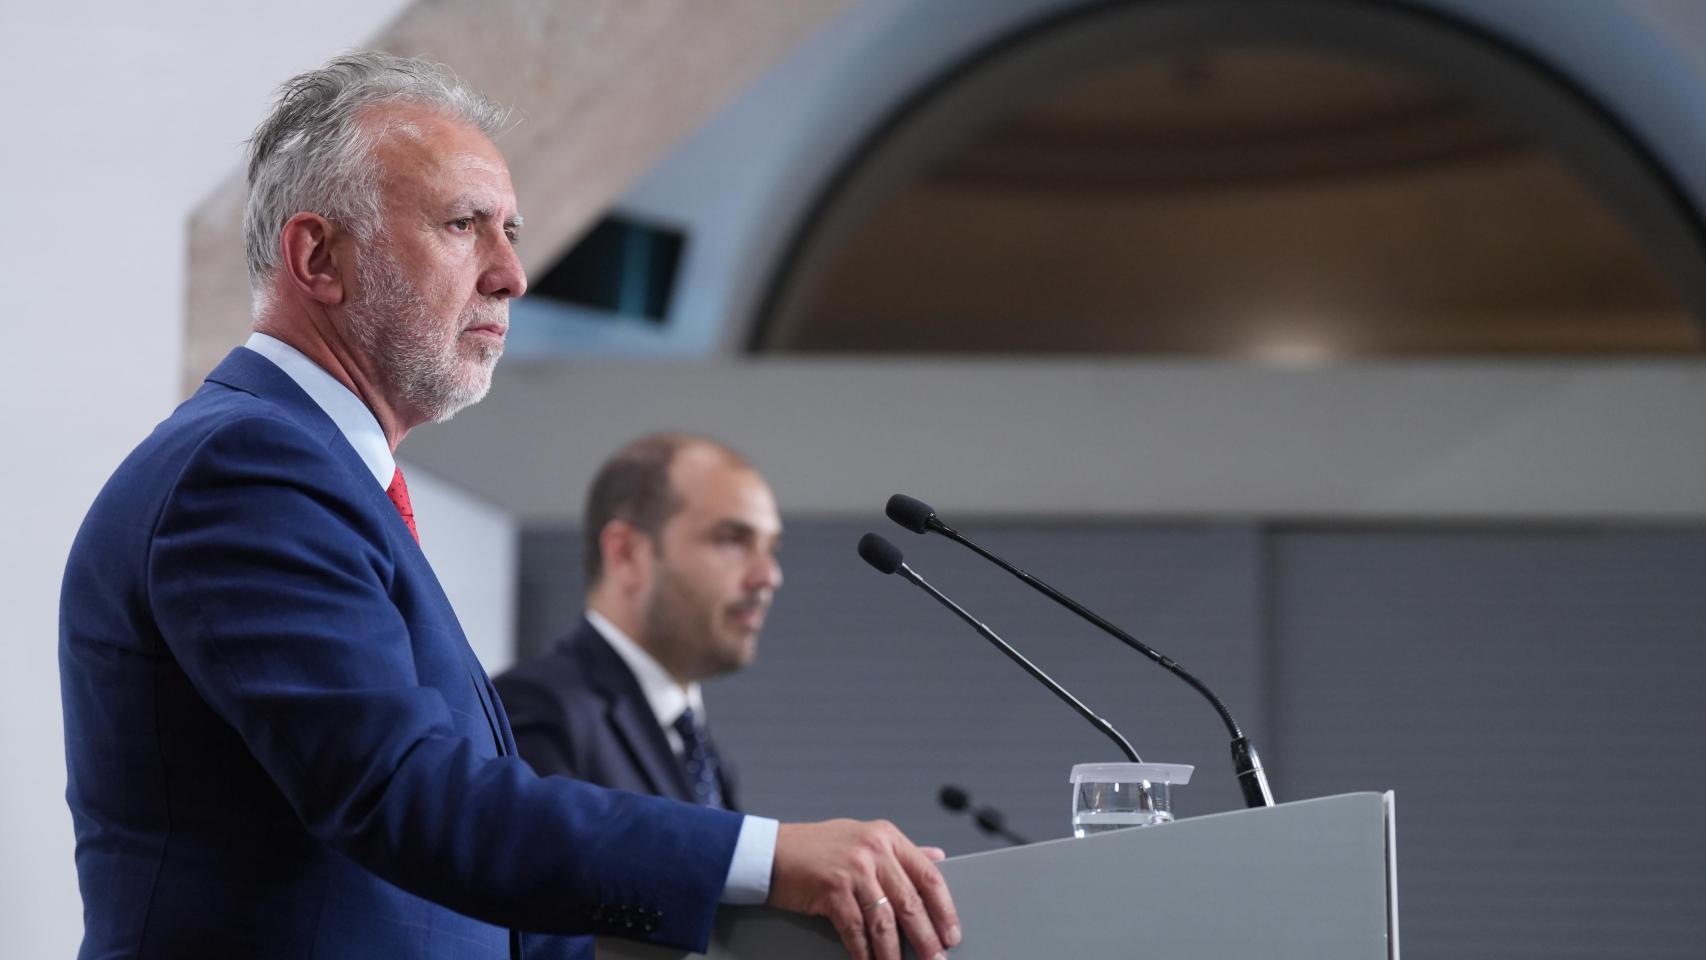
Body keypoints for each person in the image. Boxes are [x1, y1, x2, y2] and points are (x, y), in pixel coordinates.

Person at [59, 52, 958, 960]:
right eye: (464, 225)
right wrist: (764, 857)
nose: (513, 275)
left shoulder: (321, 475)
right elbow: (403, 794)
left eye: (512, 231)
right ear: (318, 258)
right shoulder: (248, 466)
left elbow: (485, 912)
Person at [496, 433, 781, 808]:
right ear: (627, 554)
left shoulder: (703, 752)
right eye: (730, 540)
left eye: (770, 548)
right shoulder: (537, 713)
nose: (769, 575)